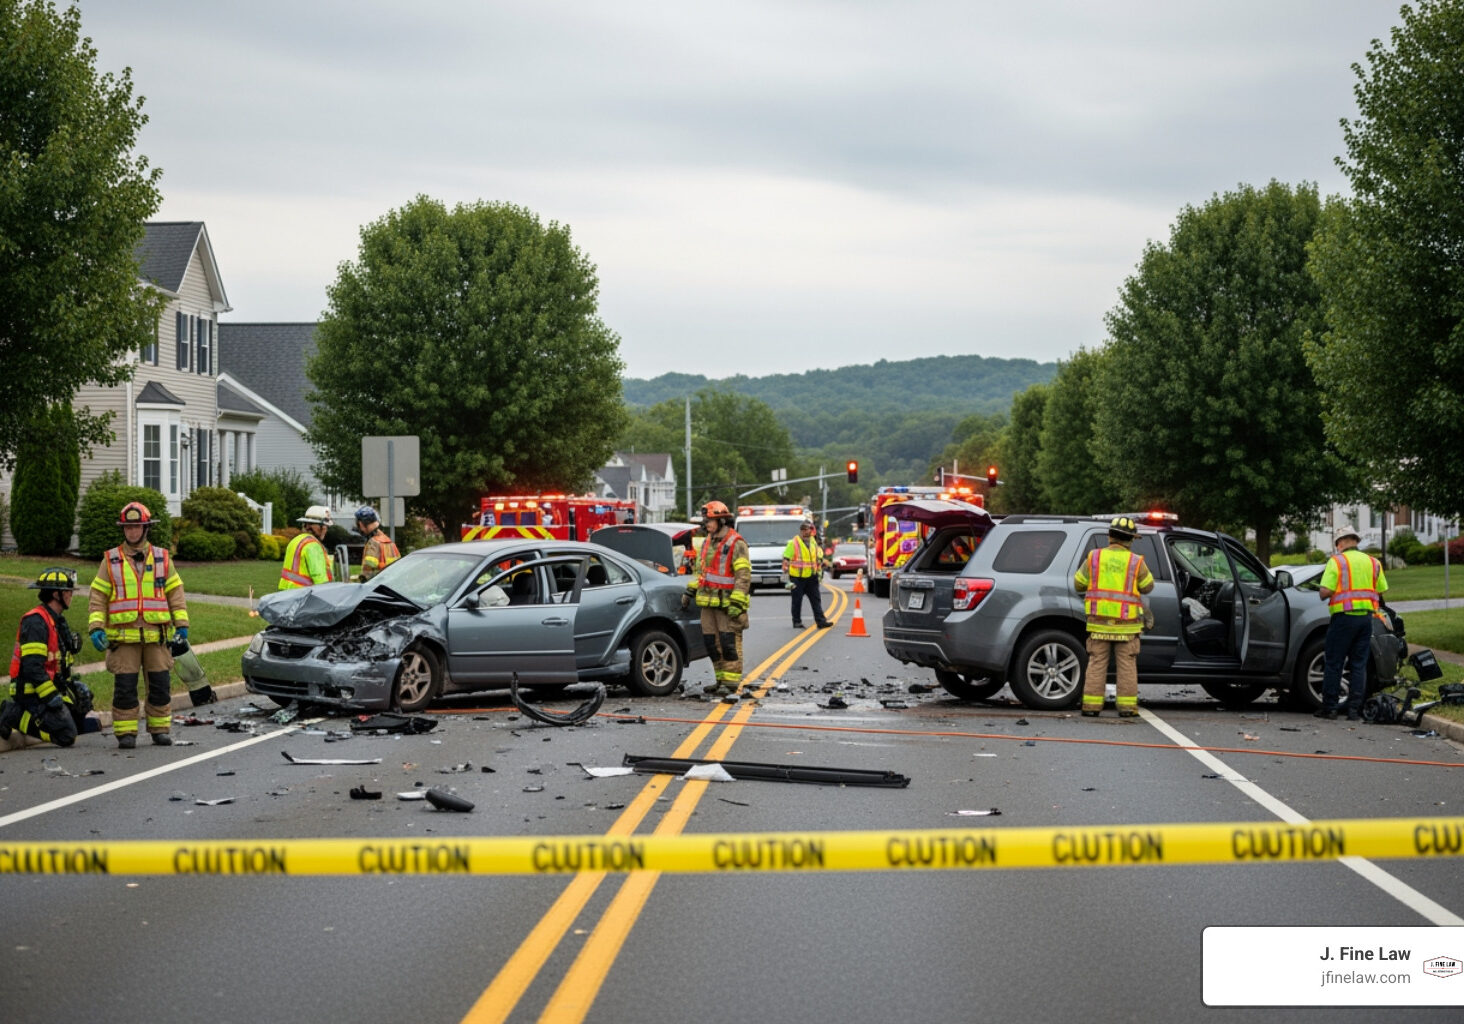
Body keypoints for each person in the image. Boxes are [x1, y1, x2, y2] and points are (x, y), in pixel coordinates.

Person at [87, 501, 188, 748]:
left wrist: (182, 624)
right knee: (125, 688)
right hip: (123, 640)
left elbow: (175, 593)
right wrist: (96, 628)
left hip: (157, 637)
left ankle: (160, 729)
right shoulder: (110, 560)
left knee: (160, 686)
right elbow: (97, 597)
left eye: (137, 527)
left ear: (146, 529)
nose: (132, 532)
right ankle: (126, 733)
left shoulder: (163, 558)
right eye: (128, 528)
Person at [1073, 516, 1154, 718]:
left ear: (1109, 536)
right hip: (1126, 626)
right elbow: (1148, 587)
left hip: (1099, 624)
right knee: (1126, 665)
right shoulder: (1136, 562)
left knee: (1097, 663)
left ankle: (1091, 707)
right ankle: (1127, 708)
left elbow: (1078, 584)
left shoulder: (1094, 557)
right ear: (1131, 540)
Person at [0, 568, 88, 747]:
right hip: (31, 693)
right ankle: (12, 714)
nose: (71, 595)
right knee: (67, 736)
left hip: (47, 687)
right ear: (56, 595)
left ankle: (32, 715)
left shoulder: (55, 620)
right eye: (68, 592)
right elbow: (33, 668)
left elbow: (57, 662)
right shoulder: (35, 623)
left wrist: (71, 686)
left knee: (80, 716)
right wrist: (51, 697)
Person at [1316, 525, 1388, 721]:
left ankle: (1329, 708)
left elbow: (1325, 592)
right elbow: (1381, 590)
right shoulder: (1373, 562)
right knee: (1358, 664)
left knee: (1334, 662)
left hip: (1343, 618)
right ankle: (1354, 711)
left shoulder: (1337, 561)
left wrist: (1321, 588)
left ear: (1340, 543)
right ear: (1355, 541)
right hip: (1366, 619)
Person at [683, 500, 752, 696]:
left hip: (728, 604)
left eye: (711, 521)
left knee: (728, 642)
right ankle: (720, 679)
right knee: (711, 643)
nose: (707, 524)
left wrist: (737, 602)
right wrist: (690, 591)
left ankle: (730, 683)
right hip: (709, 603)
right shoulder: (707, 542)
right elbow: (703, 573)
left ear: (722, 520)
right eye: (706, 521)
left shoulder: (735, 543)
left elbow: (743, 575)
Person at [781, 518, 832, 629]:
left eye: (808, 529)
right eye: (805, 530)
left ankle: (821, 621)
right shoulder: (793, 543)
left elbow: (817, 559)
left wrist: (819, 572)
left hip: (811, 577)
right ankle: (797, 621)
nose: (807, 532)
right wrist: (786, 580)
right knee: (797, 601)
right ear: (801, 531)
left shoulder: (813, 543)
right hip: (797, 577)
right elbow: (785, 561)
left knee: (816, 599)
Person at [280, 505, 335, 589]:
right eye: (324, 525)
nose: (325, 529)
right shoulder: (313, 545)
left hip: (288, 594)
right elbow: (319, 577)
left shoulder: (295, 541)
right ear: (310, 526)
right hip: (305, 595)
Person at [355, 506, 401, 581]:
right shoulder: (389, 541)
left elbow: (367, 572)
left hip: (376, 586)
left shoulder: (373, 543)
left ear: (361, 524)